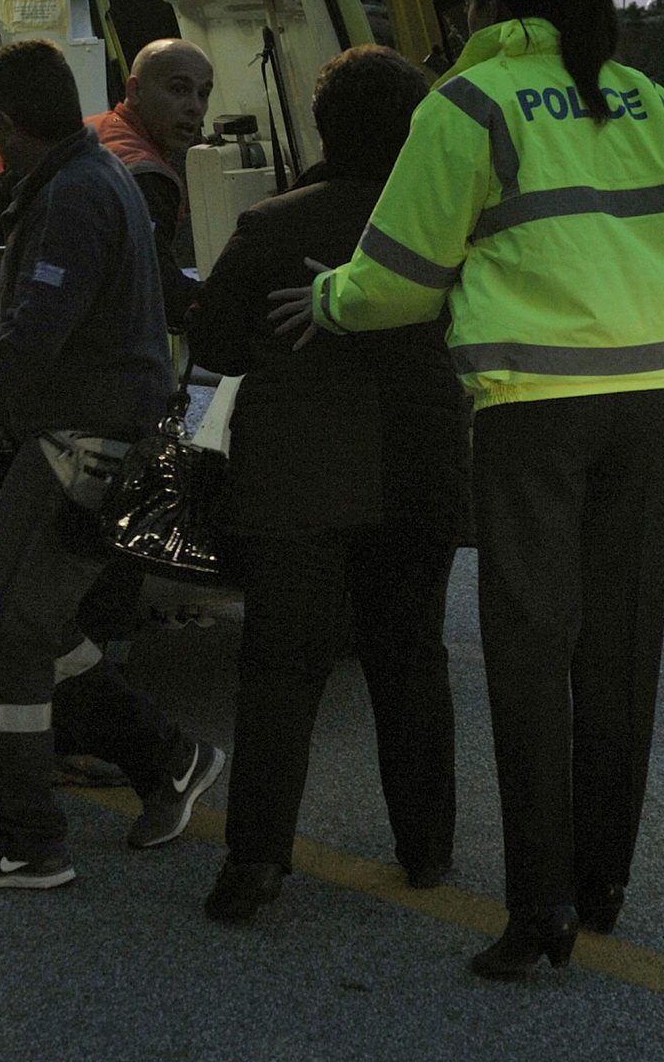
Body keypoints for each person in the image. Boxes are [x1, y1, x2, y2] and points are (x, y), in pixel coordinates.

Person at [276, 0, 664, 978]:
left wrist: (329, 301)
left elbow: (399, 272)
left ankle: (541, 910)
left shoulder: (467, 105)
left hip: (532, 410)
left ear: (481, 6)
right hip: (643, 406)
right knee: (618, 650)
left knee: (531, 656)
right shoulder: (650, 103)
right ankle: (604, 881)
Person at [0, 38, 225, 889]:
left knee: (5, 646)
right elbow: (66, 323)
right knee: (44, 628)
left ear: (2, 121)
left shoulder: (72, 195)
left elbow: (32, 346)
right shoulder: (90, 173)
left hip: (80, 445)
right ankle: (169, 760)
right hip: (96, 433)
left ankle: (25, 841)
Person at [186, 45, 468, 924]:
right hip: (420, 477)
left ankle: (256, 864)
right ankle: (427, 850)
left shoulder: (276, 225)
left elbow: (217, 348)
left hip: (300, 482)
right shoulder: (448, 231)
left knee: (280, 670)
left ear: (323, 126)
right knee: (411, 659)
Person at [0, 36, 214, 329]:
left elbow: (5, 187)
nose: (195, 107)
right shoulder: (145, 174)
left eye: (203, 94)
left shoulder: (89, 131)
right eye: (179, 89)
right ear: (134, 90)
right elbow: (156, 287)